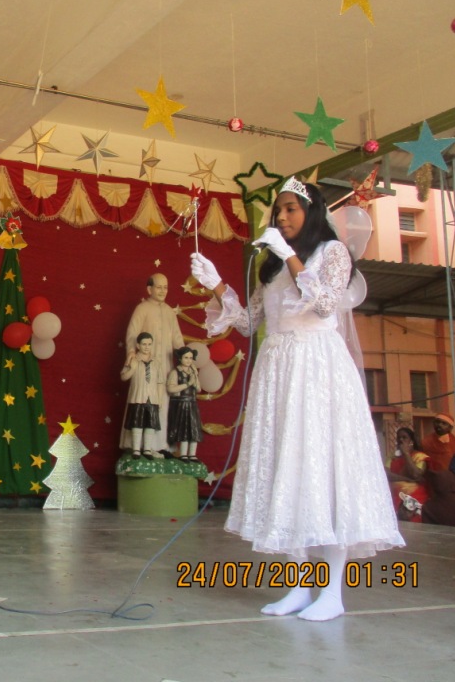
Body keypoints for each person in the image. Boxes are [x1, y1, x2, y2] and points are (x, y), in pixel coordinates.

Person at [190, 178, 403, 622]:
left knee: (324, 471)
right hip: (278, 370)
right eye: (278, 211)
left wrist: (288, 254)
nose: (282, 217)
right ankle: (299, 585)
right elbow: (248, 322)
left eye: (291, 209)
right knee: (286, 471)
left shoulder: (332, 253)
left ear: (312, 212)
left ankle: (332, 593)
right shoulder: (270, 266)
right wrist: (216, 285)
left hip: (318, 367)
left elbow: (325, 305)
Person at [125, 273, 185, 456]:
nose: (162, 291)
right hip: (144, 366)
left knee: (163, 404)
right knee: (142, 402)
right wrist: (131, 353)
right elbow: (132, 333)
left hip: (165, 366)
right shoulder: (142, 308)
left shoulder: (169, 312)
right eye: (159, 287)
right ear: (149, 289)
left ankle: (161, 445)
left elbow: (177, 338)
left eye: (165, 287)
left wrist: (184, 358)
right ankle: (139, 446)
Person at [120, 332, 164, 459]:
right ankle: (136, 449)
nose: (147, 347)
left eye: (149, 344)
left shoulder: (156, 362)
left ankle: (147, 450)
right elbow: (123, 377)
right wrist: (132, 369)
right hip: (137, 396)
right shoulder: (132, 359)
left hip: (152, 398)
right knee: (137, 423)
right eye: (144, 344)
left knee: (150, 424)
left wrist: (159, 399)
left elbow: (160, 382)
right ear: (138, 345)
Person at [166, 346, 203, 461]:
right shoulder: (175, 372)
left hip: (192, 404)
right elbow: (171, 389)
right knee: (183, 429)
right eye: (186, 357)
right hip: (180, 404)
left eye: (191, 358)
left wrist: (195, 378)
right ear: (180, 358)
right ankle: (183, 454)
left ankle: (192, 454)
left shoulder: (193, 372)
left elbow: (199, 389)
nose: (188, 360)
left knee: (193, 428)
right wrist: (187, 384)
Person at [385, 427, 428, 521]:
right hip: (393, 496)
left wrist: (406, 454)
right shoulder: (392, 456)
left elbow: (416, 475)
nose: (401, 440)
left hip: (415, 496)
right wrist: (406, 479)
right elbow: (386, 475)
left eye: (404, 437)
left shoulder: (419, 456)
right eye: (399, 438)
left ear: (411, 441)